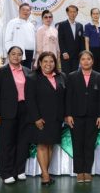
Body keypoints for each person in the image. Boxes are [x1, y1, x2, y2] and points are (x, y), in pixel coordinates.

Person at [0, 46, 31, 184]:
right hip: (7, 111)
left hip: (24, 110)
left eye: (19, 54)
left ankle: (19, 170)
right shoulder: (1, 72)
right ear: (8, 55)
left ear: (22, 57)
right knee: (6, 143)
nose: (16, 57)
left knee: (22, 142)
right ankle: (6, 172)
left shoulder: (27, 71)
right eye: (13, 54)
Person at [26, 52, 66, 186]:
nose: (48, 64)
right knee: (42, 145)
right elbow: (30, 101)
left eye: (51, 61)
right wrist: (36, 118)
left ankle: (46, 173)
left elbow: (64, 97)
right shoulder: (32, 77)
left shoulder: (61, 76)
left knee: (50, 146)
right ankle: (45, 175)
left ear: (55, 63)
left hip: (56, 119)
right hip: (41, 119)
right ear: (40, 63)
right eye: (45, 61)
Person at [65, 50, 100, 183]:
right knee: (78, 143)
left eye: (88, 59)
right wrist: (68, 114)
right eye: (83, 59)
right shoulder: (72, 76)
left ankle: (87, 171)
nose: (86, 61)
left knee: (89, 144)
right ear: (79, 62)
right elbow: (68, 97)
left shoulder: (99, 76)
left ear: (93, 61)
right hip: (76, 116)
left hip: (93, 116)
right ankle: (79, 171)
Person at [5, 3, 36, 69]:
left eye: (28, 10)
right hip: (17, 54)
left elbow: (34, 41)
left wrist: (34, 55)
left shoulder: (31, 25)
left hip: (30, 53)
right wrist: (11, 53)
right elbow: (7, 39)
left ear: (30, 12)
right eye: (23, 10)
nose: (25, 12)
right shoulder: (12, 22)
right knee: (16, 73)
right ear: (19, 11)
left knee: (27, 74)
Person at [56, 5, 84, 74]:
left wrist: (82, 54)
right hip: (66, 55)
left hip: (76, 56)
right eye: (71, 12)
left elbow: (81, 41)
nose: (73, 14)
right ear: (67, 13)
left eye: (74, 12)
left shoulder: (80, 25)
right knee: (66, 74)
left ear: (77, 13)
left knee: (75, 75)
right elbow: (60, 39)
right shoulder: (62, 24)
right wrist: (64, 52)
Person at [84, 8, 100, 72]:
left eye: (97, 14)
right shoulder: (87, 26)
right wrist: (88, 52)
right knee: (93, 70)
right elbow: (86, 40)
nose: (95, 15)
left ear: (99, 15)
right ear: (91, 15)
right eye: (94, 14)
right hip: (92, 50)